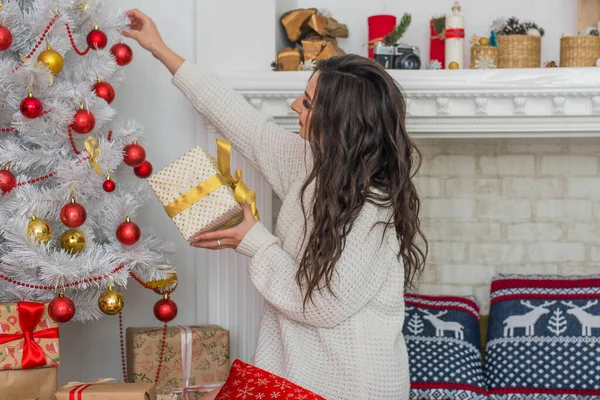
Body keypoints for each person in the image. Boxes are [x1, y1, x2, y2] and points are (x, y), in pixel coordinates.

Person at [123, 9, 428, 400]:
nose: (292, 106)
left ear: (337, 122)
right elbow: (240, 119)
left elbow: (320, 306)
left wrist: (255, 240)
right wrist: (160, 49)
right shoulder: (310, 164)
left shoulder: (374, 210)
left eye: (307, 102)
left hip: (354, 386)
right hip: (293, 381)